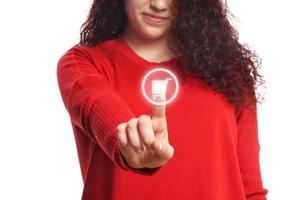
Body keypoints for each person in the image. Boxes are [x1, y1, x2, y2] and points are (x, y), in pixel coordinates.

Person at [56, 0, 269, 199]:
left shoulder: (230, 74)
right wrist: (132, 142)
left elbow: (251, 190)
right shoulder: (83, 63)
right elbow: (96, 106)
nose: (159, 5)